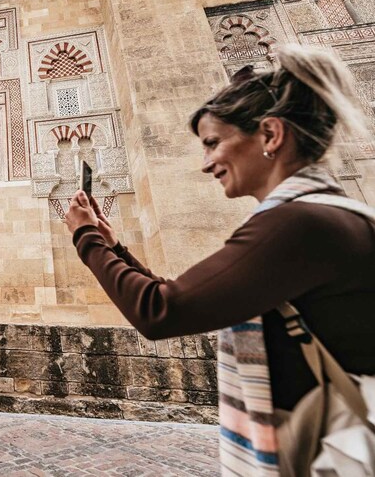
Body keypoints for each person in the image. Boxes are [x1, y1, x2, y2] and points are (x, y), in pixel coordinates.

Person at [65, 45, 375, 476]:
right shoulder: (324, 213)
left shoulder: (299, 224)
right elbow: (193, 295)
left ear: (270, 135)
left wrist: (83, 236)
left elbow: (160, 310)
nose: (207, 162)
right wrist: (115, 250)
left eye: (213, 143)